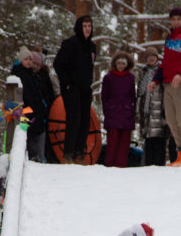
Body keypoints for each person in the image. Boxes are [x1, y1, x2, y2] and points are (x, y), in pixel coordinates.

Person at [147, 7, 181, 167]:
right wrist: (155, 80)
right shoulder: (170, 38)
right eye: (173, 19)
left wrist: (180, 74)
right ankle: (180, 154)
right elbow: (165, 63)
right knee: (171, 120)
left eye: (179, 19)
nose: (176, 22)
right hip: (168, 83)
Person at [53, 14, 97, 164]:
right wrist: (66, 83)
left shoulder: (92, 47)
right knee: (74, 118)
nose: (87, 29)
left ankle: (79, 154)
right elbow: (58, 64)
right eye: (84, 26)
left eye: (89, 26)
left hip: (85, 88)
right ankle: (68, 154)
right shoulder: (70, 44)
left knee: (85, 120)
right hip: (71, 88)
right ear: (79, 27)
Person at [11, 46, 49, 162]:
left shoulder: (32, 75)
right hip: (27, 111)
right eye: (26, 59)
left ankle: (38, 159)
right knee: (30, 137)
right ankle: (34, 160)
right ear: (21, 60)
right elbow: (25, 95)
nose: (28, 61)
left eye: (30, 59)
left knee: (37, 136)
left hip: (35, 110)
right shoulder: (20, 74)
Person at [101, 51, 137, 168]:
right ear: (115, 64)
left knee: (124, 143)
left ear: (127, 65)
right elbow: (104, 97)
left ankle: (121, 166)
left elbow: (133, 96)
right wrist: (108, 111)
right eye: (119, 63)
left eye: (123, 63)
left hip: (127, 113)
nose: (121, 65)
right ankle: (110, 165)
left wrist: (131, 110)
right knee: (112, 142)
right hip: (113, 113)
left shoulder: (130, 78)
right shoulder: (108, 77)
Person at [136, 46, 167, 166]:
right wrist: (139, 111)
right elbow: (139, 92)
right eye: (149, 57)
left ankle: (159, 164)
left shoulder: (161, 70)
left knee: (159, 138)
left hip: (159, 108)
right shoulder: (142, 72)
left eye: (153, 56)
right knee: (148, 138)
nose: (151, 59)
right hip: (146, 109)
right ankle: (148, 165)